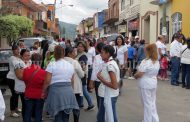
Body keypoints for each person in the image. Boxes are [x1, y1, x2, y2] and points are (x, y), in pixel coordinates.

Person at [42, 45, 79, 122]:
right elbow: (72, 81)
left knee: (58, 116)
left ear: (54, 53)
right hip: (68, 91)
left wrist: (43, 92)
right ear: (64, 53)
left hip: (56, 92)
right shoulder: (70, 65)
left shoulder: (51, 64)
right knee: (66, 116)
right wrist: (71, 91)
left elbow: (47, 81)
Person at [15, 53, 46, 122]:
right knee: (38, 113)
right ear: (40, 61)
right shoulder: (43, 72)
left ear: (32, 60)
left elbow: (25, 80)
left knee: (27, 113)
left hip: (28, 94)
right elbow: (45, 84)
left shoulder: (26, 70)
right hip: (39, 95)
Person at [134, 43, 160, 122]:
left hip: (145, 83)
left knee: (147, 103)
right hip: (153, 82)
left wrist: (135, 76)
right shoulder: (157, 61)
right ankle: (154, 119)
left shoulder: (146, 62)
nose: (145, 52)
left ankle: (147, 120)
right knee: (152, 102)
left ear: (149, 51)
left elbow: (140, 74)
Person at [97, 45, 120, 122]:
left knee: (111, 117)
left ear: (108, 54)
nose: (100, 54)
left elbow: (114, 85)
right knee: (102, 115)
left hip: (109, 94)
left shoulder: (110, 65)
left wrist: (101, 79)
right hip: (107, 94)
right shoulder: (109, 63)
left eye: (102, 52)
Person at [64, 46, 84, 122]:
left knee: (66, 108)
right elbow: (82, 75)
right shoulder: (74, 62)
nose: (75, 53)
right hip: (75, 88)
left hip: (65, 89)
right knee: (76, 108)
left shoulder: (61, 61)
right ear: (69, 53)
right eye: (74, 52)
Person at [76, 41, 95, 110]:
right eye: (79, 46)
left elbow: (82, 67)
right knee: (81, 90)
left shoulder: (83, 56)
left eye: (81, 46)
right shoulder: (79, 54)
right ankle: (81, 104)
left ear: (84, 48)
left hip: (82, 75)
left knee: (83, 90)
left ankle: (90, 104)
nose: (79, 47)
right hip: (80, 75)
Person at [14, 49, 31, 121]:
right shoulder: (18, 64)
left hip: (29, 87)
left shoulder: (30, 62)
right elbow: (19, 76)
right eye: (25, 55)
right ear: (21, 56)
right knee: (25, 105)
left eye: (29, 55)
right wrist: (31, 77)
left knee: (28, 105)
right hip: (22, 88)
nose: (27, 57)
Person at [89, 42, 106, 109]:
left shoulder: (97, 57)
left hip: (99, 81)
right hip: (105, 80)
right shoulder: (109, 56)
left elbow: (94, 71)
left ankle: (101, 116)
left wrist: (91, 81)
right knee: (105, 98)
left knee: (99, 98)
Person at [6, 45, 21, 117]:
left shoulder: (18, 57)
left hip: (16, 78)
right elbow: (18, 66)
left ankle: (16, 108)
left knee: (17, 93)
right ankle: (12, 111)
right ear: (13, 51)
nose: (18, 51)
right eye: (16, 49)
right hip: (11, 78)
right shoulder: (12, 58)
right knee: (14, 94)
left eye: (18, 49)